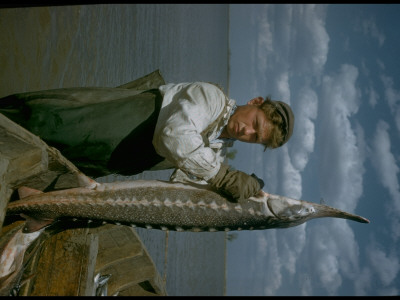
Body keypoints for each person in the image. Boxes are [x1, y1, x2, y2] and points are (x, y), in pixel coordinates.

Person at [0, 70, 294, 201]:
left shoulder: (213, 151)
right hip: (92, 125)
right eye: (255, 123)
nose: (247, 131)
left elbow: (182, 188)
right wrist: (224, 178)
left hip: (102, 162)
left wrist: (246, 197)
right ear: (254, 102)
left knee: (33, 167)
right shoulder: (212, 97)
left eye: (256, 138)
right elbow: (175, 135)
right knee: (28, 123)